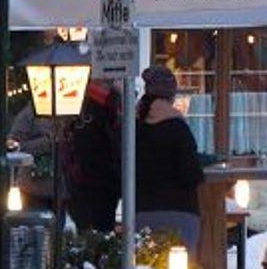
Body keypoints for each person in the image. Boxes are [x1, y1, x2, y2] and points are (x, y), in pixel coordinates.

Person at [135, 64, 205, 247]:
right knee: (180, 263)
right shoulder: (177, 127)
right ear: (171, 95)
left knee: (145, 263)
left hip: (141, 211)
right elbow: (191, 174)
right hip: (179, 210)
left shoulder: (135, 126)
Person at [65, 79, 123, 232]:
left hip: (85, 182)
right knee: (100, 228)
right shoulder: (106, 107)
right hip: (99, 181)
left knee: (90, 230)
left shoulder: (84, 107)